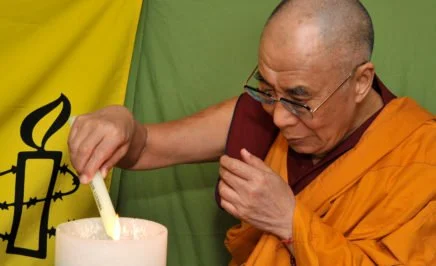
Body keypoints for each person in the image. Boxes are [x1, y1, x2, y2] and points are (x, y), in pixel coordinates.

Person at [68, 0, 436, 265]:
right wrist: (120, 124)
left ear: (361, 81)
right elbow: (145, 146)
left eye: (299, 97)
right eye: (267, 89)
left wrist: (288, 220)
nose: (278, 118)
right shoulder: (260, 116)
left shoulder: (422, 153)